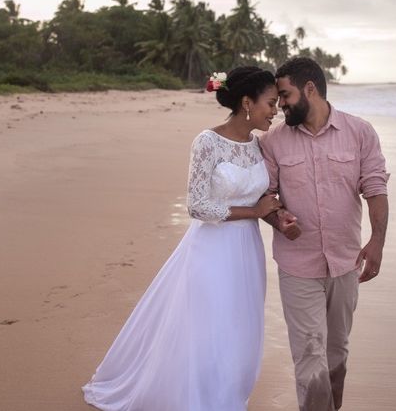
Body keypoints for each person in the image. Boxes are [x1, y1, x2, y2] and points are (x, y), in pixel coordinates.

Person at [83, 66, 292, 411]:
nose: (276, 110)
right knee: (208, 324)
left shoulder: (258, 146)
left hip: (247, 249)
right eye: (270, 103)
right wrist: (253, 212)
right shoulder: (207, 142)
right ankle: (196, 399)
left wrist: (274, 213)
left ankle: (224, 394)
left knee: (239, 325)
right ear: (246, 102)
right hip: (211, 248)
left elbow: (262, 198)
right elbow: (197, 205)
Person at [259, 57, 390, 411]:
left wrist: (376, 242)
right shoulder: (273, 142)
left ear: (310, 89)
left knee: (336, 354)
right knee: (309, 355)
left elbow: (375, 188)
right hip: (298, 266)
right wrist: (279, 218)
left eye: (285, 95)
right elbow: (266, 196)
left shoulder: (360, 132)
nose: (281, 104)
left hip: (345, 262)